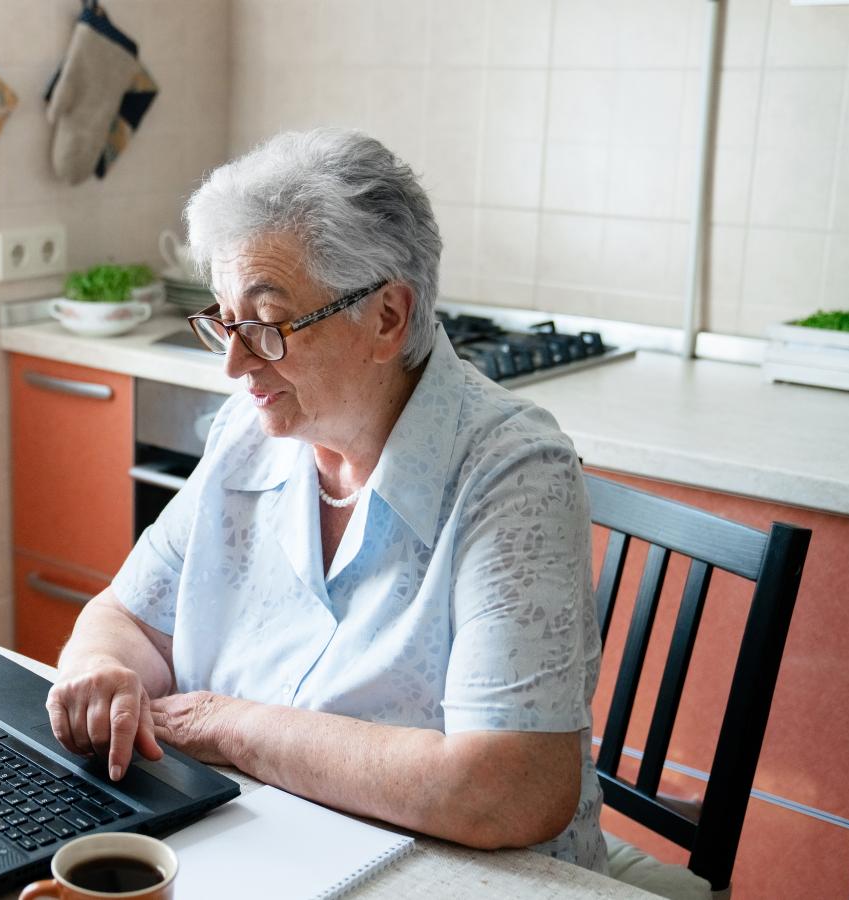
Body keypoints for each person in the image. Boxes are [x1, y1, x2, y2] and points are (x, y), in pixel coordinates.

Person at [44, 128, 607, 871]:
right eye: (224, 321)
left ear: (386, 318)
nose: (235, 364)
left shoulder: (512, 473)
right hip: (262, 846)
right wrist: (101, 676)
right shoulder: (250, 431)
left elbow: (509, 788)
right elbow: (126, 618)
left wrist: (228, 725)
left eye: (267, 325)